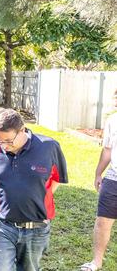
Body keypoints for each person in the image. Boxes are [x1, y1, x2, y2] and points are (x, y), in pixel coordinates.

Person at [0, 108, 68, 271]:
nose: (4, 146)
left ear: (22, 130)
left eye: (8, 141)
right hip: (0, 226)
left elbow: (55, 179)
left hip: (37, 228)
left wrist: (36, 196)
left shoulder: (49, 147)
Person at [80, 90, 117, 271]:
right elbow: (108, 151)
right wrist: (98, 173)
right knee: (102, 222)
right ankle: (97, 262)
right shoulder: (113, 121)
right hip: (114, 177)